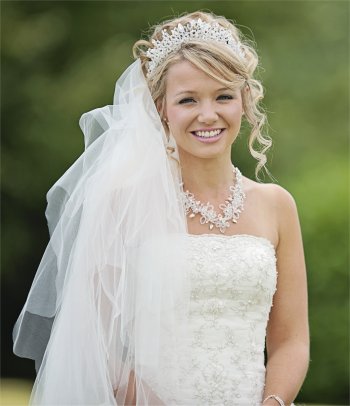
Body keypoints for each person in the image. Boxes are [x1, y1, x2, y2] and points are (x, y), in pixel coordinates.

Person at [13, 10, 309, 406]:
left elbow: (291, 339)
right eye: (188, 100)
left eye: (223, 95)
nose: (208, 115)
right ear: (160, 109)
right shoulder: (123, 205)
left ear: (244, 101)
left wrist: (272, 404)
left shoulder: (277, 205)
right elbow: (94, 341)